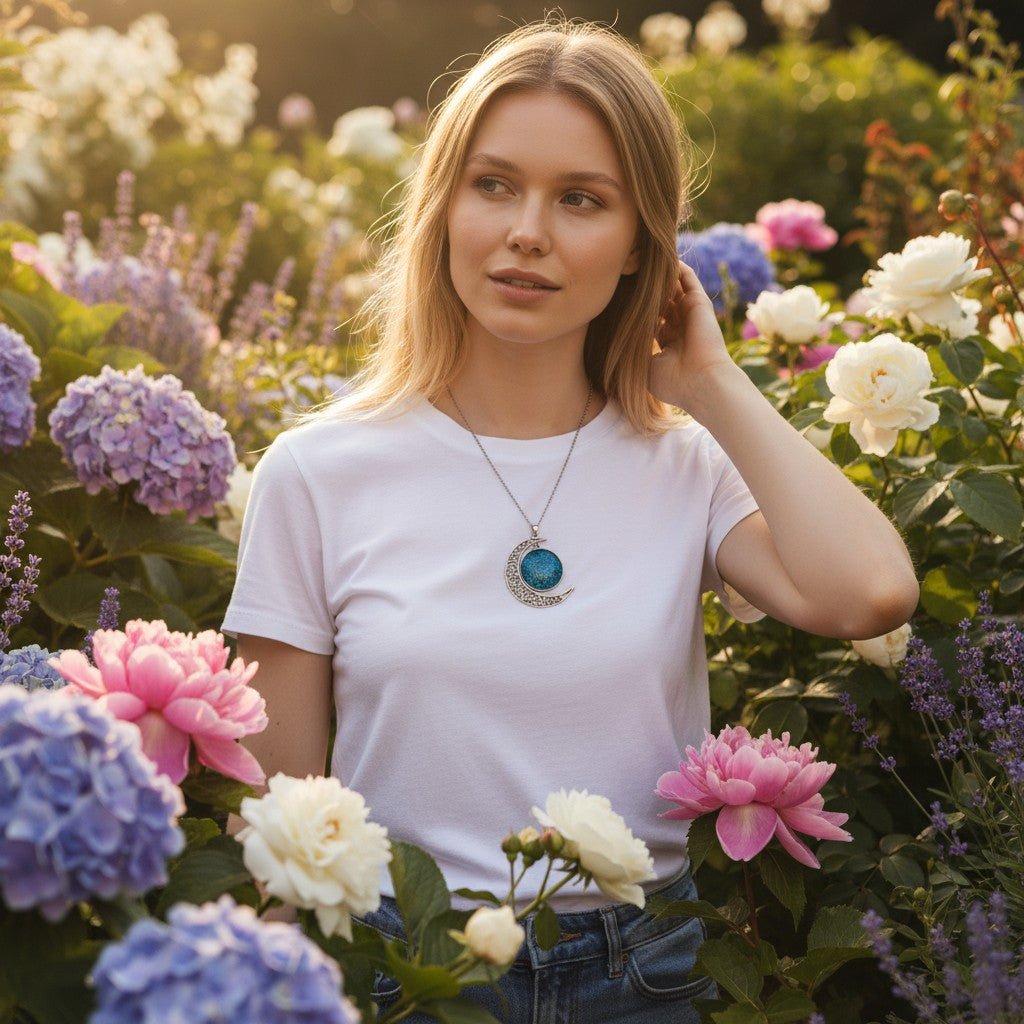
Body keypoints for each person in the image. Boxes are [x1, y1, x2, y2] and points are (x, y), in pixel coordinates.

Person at [223, 17, 919, 1023]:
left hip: (642, 973)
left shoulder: (686, 462)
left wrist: (714, 384)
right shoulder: (318, 472)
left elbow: (869, 592)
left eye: (581, 200)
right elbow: (279, 822)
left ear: (641, 248)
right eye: (493, 184)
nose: (527, 231)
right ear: (443, 206)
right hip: (408, 972)